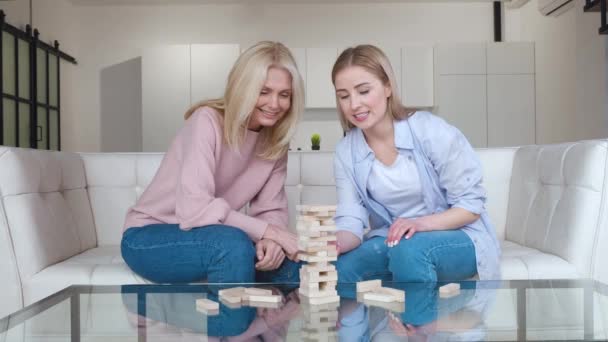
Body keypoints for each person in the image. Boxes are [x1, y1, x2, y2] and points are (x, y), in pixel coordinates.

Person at [121, 41, 304, 284]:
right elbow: (194, 209)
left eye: (284, 95)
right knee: (232, 245)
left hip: (208, 234)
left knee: (292, 262)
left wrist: (272, 241)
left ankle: (270, 323)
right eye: (263, 91)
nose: (274, 104)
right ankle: (233, 322)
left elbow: (271, 209)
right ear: (243, 88)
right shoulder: (206, 121)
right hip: (149, 236)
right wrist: (270, 232)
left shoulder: (276, 142)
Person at [330, 44, 501, 283]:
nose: (354, 105)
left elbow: (470, 206)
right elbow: (351, 218)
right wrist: (335, 243)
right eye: (344, 96)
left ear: (388, 87)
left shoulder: (429, 130)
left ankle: (418, 321)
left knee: (409, 252)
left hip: (457, 236)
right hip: (394, 240)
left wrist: (419, 224)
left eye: (363, 91)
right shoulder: (346, 151)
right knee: (342, 267)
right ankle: (357, 322)